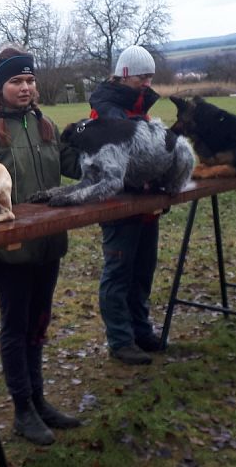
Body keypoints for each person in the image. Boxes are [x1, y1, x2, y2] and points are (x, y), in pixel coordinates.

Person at [0, 43, 82, 446]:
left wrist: (105, 143)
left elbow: (72, 166)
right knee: (15, 327)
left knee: (38, 323)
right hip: (10, 249)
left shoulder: (46, 124)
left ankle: (40, 399)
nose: (26, 87)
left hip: (48, 244)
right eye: (17, 81)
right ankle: (22, 409)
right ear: (1, 86)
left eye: (30, 79)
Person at [88, 44, 164, 366]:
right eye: (141, 77)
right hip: (118, 205)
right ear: (124, 75)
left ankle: (141, 331)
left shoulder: (140, 108)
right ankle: (121, 340)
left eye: (150, 76)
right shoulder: (104, 111)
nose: (147, 82)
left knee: (142, 271)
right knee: (119, 273)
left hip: (145, 205)